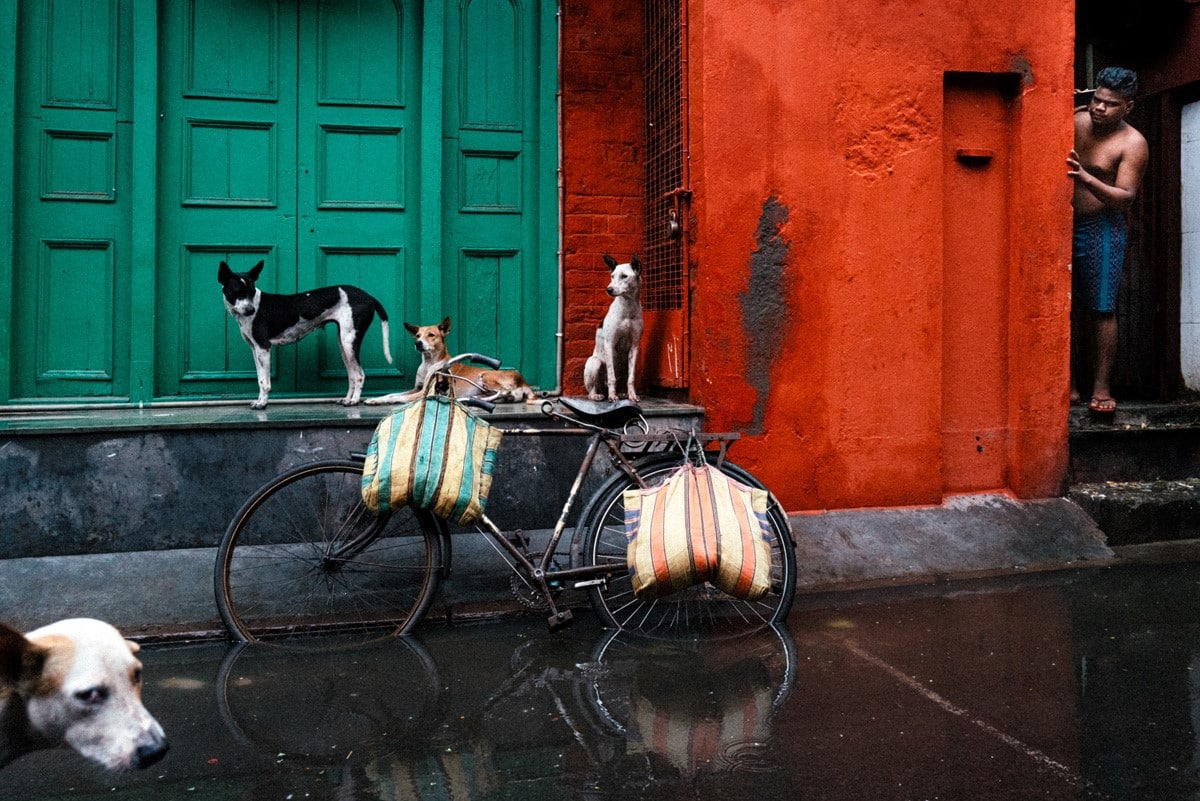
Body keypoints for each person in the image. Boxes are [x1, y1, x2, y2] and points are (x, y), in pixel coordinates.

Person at [1067, 66, 1149, 414]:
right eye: (1097, 101)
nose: (1100, 109)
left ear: (1128, 107)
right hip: (1057, 223)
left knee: (1101, 309)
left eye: (1110, 104)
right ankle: (1065, 384)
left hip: (1101, 224)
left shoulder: (1133, 143)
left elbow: (1125, 197)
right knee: (1061, 307)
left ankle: (1101, 389)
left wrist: (1086, 178)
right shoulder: (1073, 119)